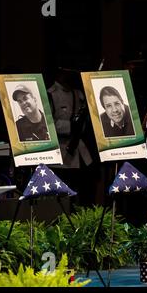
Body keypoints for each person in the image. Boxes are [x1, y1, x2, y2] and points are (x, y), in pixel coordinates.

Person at [47, 67, 95, 206]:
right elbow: (48, 125)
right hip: (61, 153)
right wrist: (70, 125)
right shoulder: (51, 94)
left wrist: (81, 124)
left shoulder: (78, 94)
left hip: (79, 150)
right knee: (62, 198)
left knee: (80, 195)